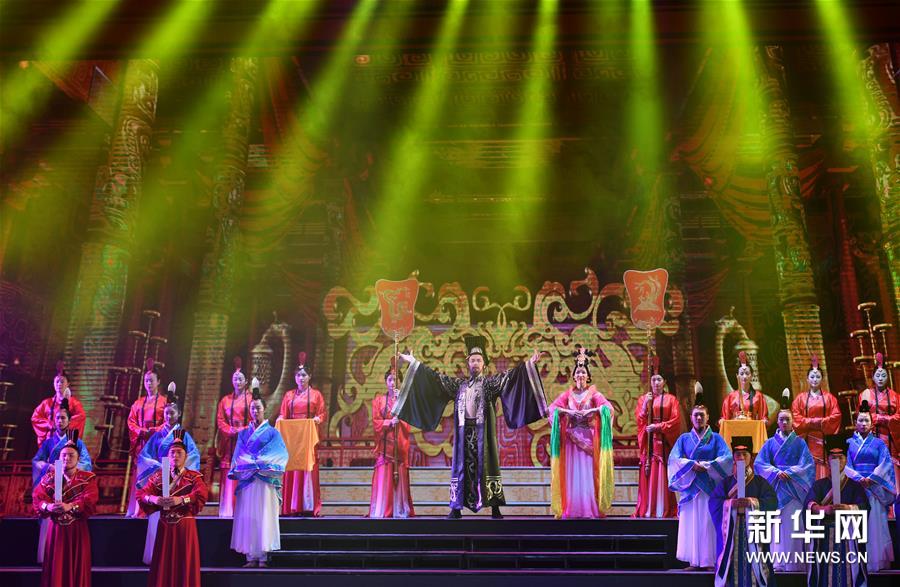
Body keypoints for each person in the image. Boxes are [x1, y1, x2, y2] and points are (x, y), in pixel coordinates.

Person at [396, 335, 548, 519]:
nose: (475, 363)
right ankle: (456, 508)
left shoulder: (490, 384)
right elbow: (434, 378)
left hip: (483, 435)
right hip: (463, 434)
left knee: (488, 467)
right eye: (472, 360)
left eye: (478, 360)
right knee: (460, 468)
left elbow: (512, 376)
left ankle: (495, 508)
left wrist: (530, 364)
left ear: (484, 364)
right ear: (468, 363)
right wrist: (414, 363)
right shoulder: (458, 385)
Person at [668, 384, 733, 571]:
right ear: (691, 418)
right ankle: (693, 561)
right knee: (691, 524)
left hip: (709, 488)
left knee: (707, 524)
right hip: (691, 487)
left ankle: (709, 561)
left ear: (708, 417)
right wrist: (691, 465)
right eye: (695, 415)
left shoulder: (716, 439)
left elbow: (727, 458)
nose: (698, 418)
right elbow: (674, 459)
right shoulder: (684, 439)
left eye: (701, 415)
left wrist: (706, 466)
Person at [135, 386, 200, 565]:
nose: (169, 416)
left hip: (178, 481)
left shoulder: (184, 436)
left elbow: (194, 456)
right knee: (158, 517)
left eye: (172, 413)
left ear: (178, 414)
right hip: (160, 478)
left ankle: (175, 556)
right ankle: (157, 555)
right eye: (166, 413)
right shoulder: (157, 435)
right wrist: (158, 466)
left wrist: (179, 469)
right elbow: (144, 457)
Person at [548, 346, 614, 519]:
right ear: (573, 376)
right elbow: (552, 409)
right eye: (577, 372)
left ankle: (588, 509)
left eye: (583, 372)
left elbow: (609, 409)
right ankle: (572, 509)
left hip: (588, 440)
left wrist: (593, 410)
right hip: (571, 440)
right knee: (572, 475)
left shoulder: (594, 394)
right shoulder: (567, 395)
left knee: (587, 475)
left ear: (588, 376)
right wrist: (567, 412)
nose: (580, 375)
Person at [753, 391, 815, 572]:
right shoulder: (769, 443)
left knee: (795, 524)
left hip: (794, 490)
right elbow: (760, 464)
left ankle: (796, 562)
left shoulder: (800, 443)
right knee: (777, 526)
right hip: (777, 488)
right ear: (778, 422)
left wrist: (791, 473)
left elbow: (808, 465)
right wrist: (775, 472)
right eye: (781, 419)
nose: (784, 422)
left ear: (793, 421)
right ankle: (778, 561)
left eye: (788, 419)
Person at [138, 431, 208, 587]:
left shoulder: (194, 476)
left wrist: (181, 499)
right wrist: (153, 498)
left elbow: (201, 494)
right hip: (165, 527)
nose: (175, 456)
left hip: (185, 527)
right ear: (167, 456)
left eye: (179, 453)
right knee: (164, 563)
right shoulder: (159, 476)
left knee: (184, 564)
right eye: (172, 453)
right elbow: (141, 494)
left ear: (185, 456)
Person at [229, 387, 288, 567]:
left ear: (264, 409)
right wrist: (251, 464)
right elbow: (238, 456)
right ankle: (250, 556)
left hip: (265, 480)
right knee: (248, 516)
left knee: (264, 515)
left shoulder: (273, 433)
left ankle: (263, 556)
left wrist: (258, 462)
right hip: (248, 479)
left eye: (258, 408)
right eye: (253, 408)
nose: (255, 411)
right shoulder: (243, 433)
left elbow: (280, 454)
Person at [709, 436, 778, 587]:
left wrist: (751, 503)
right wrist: (730, 504)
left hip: (754, 530)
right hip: (732, 532)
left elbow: (772, 502)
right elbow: (714, 502)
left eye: (744, 454)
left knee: (757, 564)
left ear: (751, 458)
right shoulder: (726, 483)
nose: (741, 457)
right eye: (737, 454)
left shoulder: (760, 483)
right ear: (733, 458)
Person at [33, 431, 98, 587]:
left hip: (77, 529)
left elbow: (90, 499)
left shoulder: (87, 478)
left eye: (71, 455)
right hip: (56, 530)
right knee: (55, 566)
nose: (66, 458)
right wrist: (48, 506)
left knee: (76, 565)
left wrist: (70, 506)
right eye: (63, 455)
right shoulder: (50, 478)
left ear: (78, 459)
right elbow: (38, 497)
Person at [31, 399, 92, 564]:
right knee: (51, 522)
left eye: (63, 418)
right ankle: (48, 556)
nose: (60, 421)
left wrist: (70, 467)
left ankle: (69, 557)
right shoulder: (48, 443)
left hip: (72, 486)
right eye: (57, 418)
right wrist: (49, 467)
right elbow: (36, 461)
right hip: (53, 486)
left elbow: (87, 463)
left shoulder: (77, 443)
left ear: (69, 421)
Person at [804, 435, 869, 587]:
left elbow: (865, 507)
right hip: (824, 537)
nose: (837, 461)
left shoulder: (854, 486)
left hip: (848, 534)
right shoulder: (819, 485)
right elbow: (808, 505)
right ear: (827, 461)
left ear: (846, 460)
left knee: (849, 572)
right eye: (833, 457)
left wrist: (848, 508)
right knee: (824, 572)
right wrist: (823, 509)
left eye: (840, 457)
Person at [844, 400, 895, 573]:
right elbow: (846, 466)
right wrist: (858, 477)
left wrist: (871, 478)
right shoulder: (849, 443)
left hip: (874, 488)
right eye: (860, 420)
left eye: (867, 420)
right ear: (855, 423)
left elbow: (885, 464)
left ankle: (876, 561)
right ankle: (855, 562)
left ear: (872, 424)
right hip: (857, 487)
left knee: (875, 525)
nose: (864, 423)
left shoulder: (880, 444)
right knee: (855, 526)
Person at [277, 352, 327, 516]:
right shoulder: (289, 395)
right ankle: (291, 505)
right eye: (298, 375)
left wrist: (318, 419)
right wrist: (280, 419)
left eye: (304, 375)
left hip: (308, 437)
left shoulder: (316, 395)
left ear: (310, 377)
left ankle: (307, 505)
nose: (301, 378)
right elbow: (283, 414)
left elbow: (322, 414)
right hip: (293, 439)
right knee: (292, 469)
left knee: (307, 469)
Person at [633, 355, 681, 518]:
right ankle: (648, 509)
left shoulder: (671, 399)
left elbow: (675, 421)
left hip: (664, 443)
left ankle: (664, 509)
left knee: (663, 475)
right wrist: (645, 407)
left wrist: (658, 427)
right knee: (649, 475)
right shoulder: (643, 399)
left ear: (664, 382)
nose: (656, 383)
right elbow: (640, 421)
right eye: (653, 379)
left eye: (659, 379)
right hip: (649, 444)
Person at [369, 361, 415, 518]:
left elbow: (409, 422)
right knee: (384, 475)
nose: (393, 382)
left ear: (400, 382)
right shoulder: (378, 401)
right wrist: (389, 422)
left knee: (399, 476)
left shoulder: (404, 400)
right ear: (385, 382)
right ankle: (383, 508)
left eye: (396, 379)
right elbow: (376, 422)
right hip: (385, 445)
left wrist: (400, 406)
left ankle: (399, 508)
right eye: (390, 379)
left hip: (399, 443)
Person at [125, 358, 168, 517]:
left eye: (152, 380)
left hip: (157, 444)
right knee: (140, 475)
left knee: (155, 474)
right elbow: (131, 422)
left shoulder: (164, 402)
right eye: (146, 381)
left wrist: (154, 431)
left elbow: (168, 421)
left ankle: (154, 508)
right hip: (142, 444)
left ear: (158, 382)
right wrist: (141, 431)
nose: (149, 383)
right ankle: (137, 509)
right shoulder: (138, 403)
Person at [791, 355, 842, 479]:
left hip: (824, 439)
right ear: (807, 379)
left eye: (818, 377)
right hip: (806, 439)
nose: (815, 379)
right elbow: (795, 417)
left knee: (825, 472)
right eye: (812, 377)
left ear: (822, 379)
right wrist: (813, 422)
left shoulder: (830, 398)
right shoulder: (800, 398)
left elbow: (836, 416)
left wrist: (819, 422)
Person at [216, 356, 252, 518]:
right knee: (228, 474)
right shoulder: (225, 400)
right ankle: (227, 510)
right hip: (229, 441)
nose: (237, 381)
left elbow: (254, 420)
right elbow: (220, 420)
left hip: (245, 442)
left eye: (240, 379)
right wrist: (230, 430)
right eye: (235, 378)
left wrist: (242, 431)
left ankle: (243, 510)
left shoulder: (251, 399)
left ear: (246, 381)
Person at [857, 352, 900, 489]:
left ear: (888, 377)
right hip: (872, 437)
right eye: (878, 375)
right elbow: (862, 416)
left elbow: (898, 417)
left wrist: (882, 419)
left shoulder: (895, 396)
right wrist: (877, 418)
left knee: (892, 476)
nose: (880, 378)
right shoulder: (866, 394)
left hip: (890, 438)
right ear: (873, 377)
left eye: (884, 375)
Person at [31, 361, 86, 447]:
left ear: (68, 384)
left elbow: (81, 416)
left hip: (65, 443)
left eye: (62, 381)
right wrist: (49, 424)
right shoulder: (46, 403)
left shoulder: (74, 403)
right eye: (57, 382)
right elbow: (35, 418)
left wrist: (64, 424)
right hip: (49, 441)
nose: (59, 384)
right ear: (53, 384)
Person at [720, 351, 769, 425]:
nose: (744, 376)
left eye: (747, 373)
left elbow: (763, 417)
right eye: (742, 374)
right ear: (737, 376)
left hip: (752, 429)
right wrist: (722, 421)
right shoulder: (731, 397)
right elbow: (725, 418)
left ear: (751, 375)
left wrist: (764, 421)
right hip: (736, 430)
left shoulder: (758, 396)